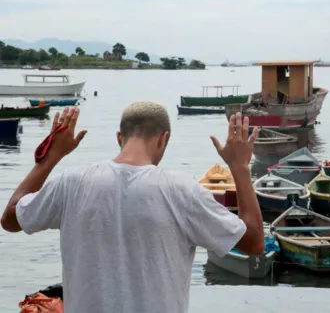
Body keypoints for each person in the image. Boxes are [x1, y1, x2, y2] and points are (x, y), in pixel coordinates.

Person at [1, 101, 264, 313]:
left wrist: (50, 157)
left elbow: (11, 219)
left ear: (119, 137)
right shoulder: (183, 192)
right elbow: (253, 243)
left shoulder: (71, 182)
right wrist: (239, 167)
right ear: (164, 139)